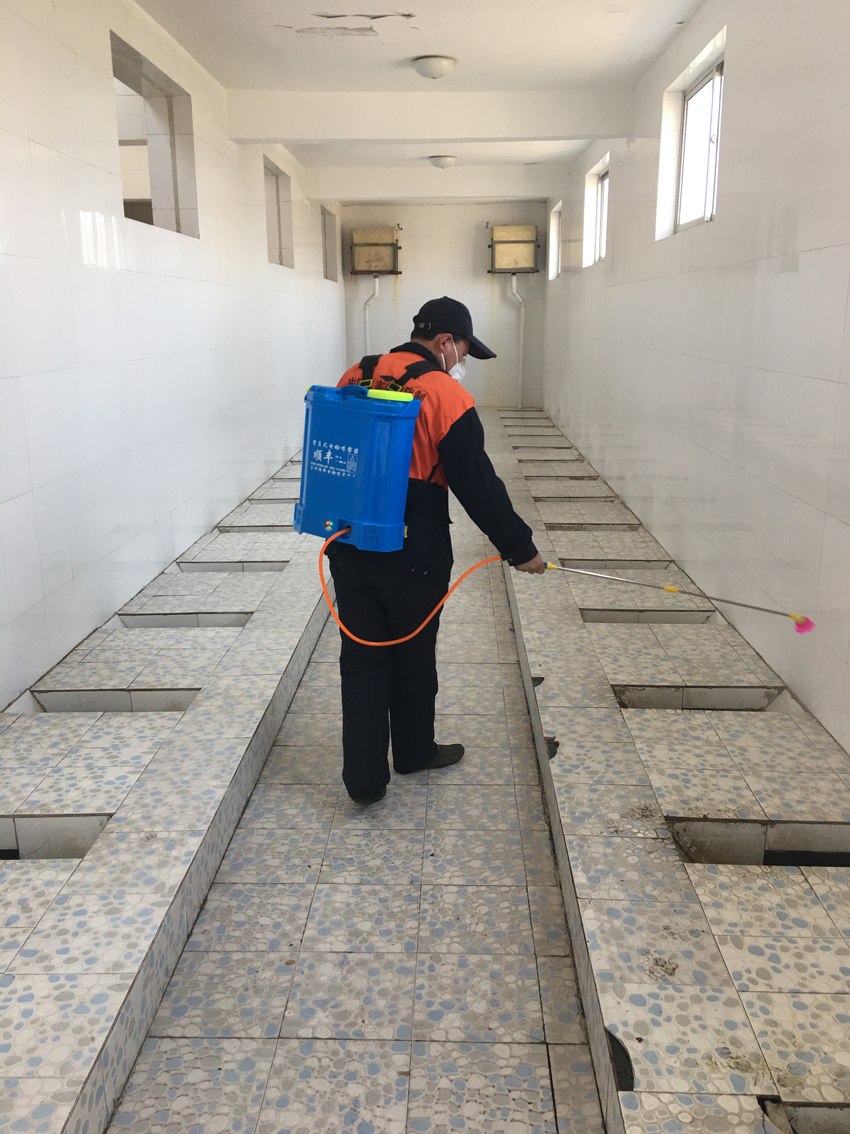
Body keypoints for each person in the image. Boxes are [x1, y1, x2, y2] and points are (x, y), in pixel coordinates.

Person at [327, 295, 545, 804]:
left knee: (361, 659)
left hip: (350, 541)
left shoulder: (356, 374)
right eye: (464, 351)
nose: (462, 361)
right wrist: (521, 548)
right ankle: (413, 751)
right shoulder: (445, 394)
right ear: (445, 341)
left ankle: (364, 782)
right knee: (413, 653)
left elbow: (334, 450)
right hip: (413, 553)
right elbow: (477, 484)